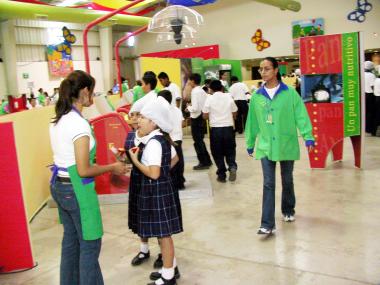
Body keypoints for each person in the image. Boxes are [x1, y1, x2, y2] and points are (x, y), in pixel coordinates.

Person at [49, 70, 128, 285]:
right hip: (76, 191)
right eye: (91, 90)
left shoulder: (59, 119)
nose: (92, 95)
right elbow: (83, 169)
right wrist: (112, 167)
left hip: (59, 186)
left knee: (71, 242)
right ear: (84, 91)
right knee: (90, 246)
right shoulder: (78, 125)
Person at [245, 57, 314, 235]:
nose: (263, 72)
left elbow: (301, 115)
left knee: (287, 179)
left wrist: (308, 136)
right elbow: (252, 122)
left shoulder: (289, 93)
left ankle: (288, 209)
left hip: (286, 143)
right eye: (261, 69)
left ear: (276, 70)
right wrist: (250, 142)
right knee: (268, 183)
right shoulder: (256, 97)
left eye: (267, 69)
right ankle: (267, 223)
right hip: (266, 145)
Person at [128, 96, 182, 285]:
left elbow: (153, 173)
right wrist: (163, 169)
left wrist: (135, 161)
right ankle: (170, 268)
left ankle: (168, 277)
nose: (138, 120)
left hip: (156, 191)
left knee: (164, 236)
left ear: (154, 122)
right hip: (162, 190)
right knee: (163, 234)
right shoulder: (161, 139)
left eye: (143, 117)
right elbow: (175, 159)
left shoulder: (153, 143)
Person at [203, 80, 238, 183]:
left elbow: (205, 115)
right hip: (228, 128)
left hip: (215, 130)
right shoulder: (228, 96)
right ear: (221, 88)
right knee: (230, 150)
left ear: (211, 89)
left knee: (217, 152)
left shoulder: (209, 98)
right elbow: (235, 112)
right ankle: (232, 167)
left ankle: (222, 175)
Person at [158, 90, 186, 190]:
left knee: (170, 161)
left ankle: (172, 182)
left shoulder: (162, 112)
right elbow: (183, 124)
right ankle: (180, 182)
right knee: (179, 161)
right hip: (178, 139)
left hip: (168, 140)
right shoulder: (177, 109)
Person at [186, 73, 212, 170]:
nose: (188, 82)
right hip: (201, 117)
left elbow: (195, 108)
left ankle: (203, 162)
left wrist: (189, 108)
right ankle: (207, 160)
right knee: (200, 141)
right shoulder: (201, 90)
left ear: (192, 81)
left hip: (196, 119)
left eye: (189, 80)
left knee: (197, 142)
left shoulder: (195, 91)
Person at [364, 61, 376, 134]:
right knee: (370, 112)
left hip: (364, 94)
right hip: (370, 95)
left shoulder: (362, 74)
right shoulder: (371, 75)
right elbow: (372, 86)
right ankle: (369, 128)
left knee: (365, 111)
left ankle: (364, 127)